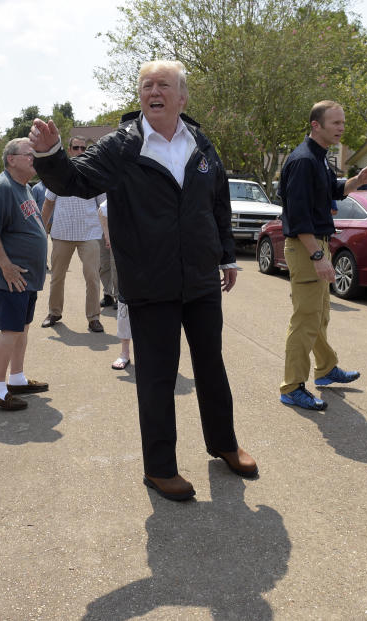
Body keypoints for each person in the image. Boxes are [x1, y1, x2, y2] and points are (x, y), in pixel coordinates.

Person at [30, 59, 257, 501]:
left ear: (182, 97)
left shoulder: (201, 144)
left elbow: (217, 205)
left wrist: (226, 256)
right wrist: (51, 153)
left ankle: (224, 444)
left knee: (212, 367)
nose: (154, 91)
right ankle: (160, 468)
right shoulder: (122, 146)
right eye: (147, 85)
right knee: (156, 377)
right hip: (150, 282)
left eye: (164, 84)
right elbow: (73, 180)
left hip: (201, 280)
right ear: (141, 96)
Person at [277, 101, 367, 412]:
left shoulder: (319, 159)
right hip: (308, 247)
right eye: (335, 122)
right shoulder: (304, 160)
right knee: (305, 320)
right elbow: (297, 215)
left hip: (316, 245)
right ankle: (292, 387)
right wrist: (318, 255)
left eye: (342, 122)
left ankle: (326, 368)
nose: (341, 127)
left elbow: (330, 191)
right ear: (315, 125)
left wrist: (358, 182)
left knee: (319, 315)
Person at [0, 138, 49, 411]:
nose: (35, 158)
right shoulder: (2, 187)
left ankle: (16, 378)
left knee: (22, 327)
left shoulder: (24, 187)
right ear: (11, 159)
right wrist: (6, 266)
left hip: (25, 276)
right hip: (11, 275)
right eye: (30, 154)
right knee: (10, 330)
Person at [39, 136, 106, 333]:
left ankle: (94, 317)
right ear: (69, 150)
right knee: (57, 276)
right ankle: (54, 312)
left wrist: (109, 233)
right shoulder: (60, 175)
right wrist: (41, 229)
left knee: (92, 276)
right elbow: (48, 203)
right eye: (76, 147)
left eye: (83, 148)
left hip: (89, 233)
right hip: (62, 233)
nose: (79, 151)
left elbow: (104, 206)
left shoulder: (94, 175)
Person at [98, 200, 130, 369]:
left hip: (156, 257)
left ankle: (152, 355)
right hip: (128, 254)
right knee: (125, 304)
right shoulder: (125, 184)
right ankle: (124, 353)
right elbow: (102, 210)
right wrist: (108, 236)